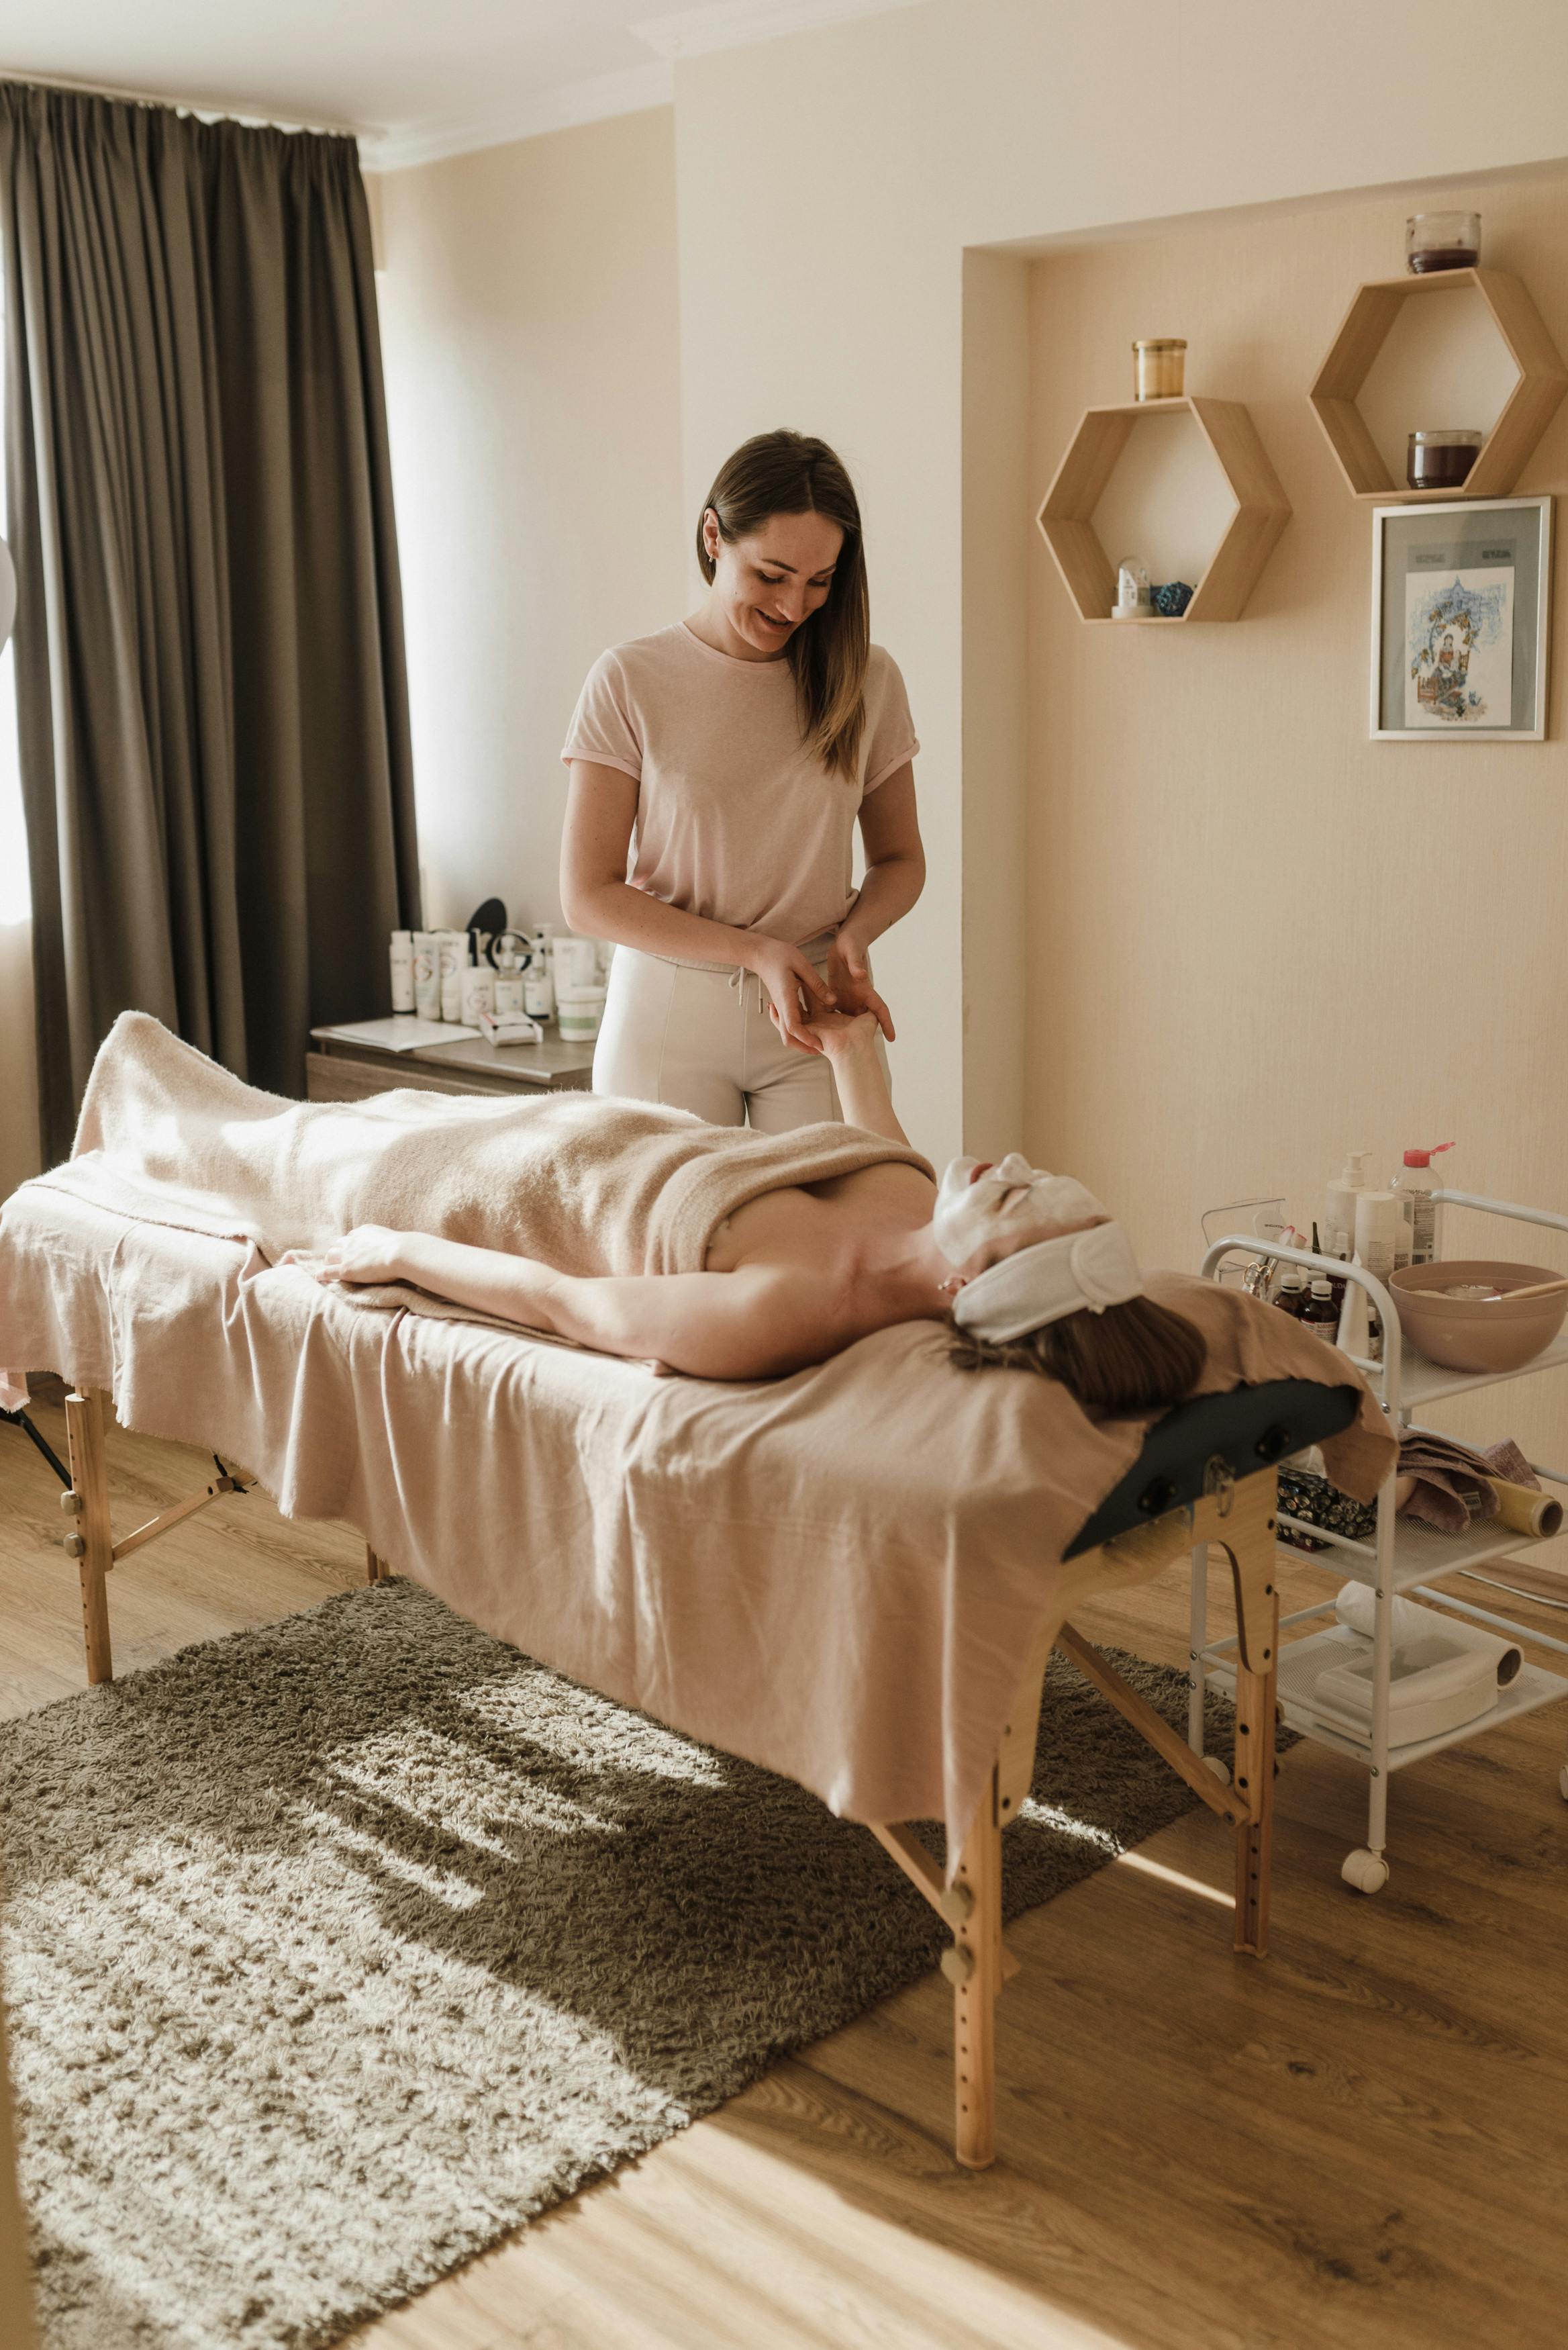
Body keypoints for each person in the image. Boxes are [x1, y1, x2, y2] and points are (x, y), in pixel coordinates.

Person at [317, 1003, 1207, 1414]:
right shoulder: (919, 1208)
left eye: (1014, 1194)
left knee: (251, 1142)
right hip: (575, 1122)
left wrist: (397, 1253)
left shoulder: (781, 1310)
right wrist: (851, 1044)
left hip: (489, 1186)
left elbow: (567, 1305)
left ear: (975, 1281)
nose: (1008, 1162)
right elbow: (878, 1138)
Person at [558, 429, 925, 1131]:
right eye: (772, 574)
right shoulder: (630, 679)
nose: (794, 607)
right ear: (712, 537)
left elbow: (900, 860)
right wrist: (754, 950)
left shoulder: (867, 681)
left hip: (813, 1008)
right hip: (668, 1015)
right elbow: (587, 896)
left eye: (819, 582)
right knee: (669, 1240)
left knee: (830, 1234)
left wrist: (856, 934)